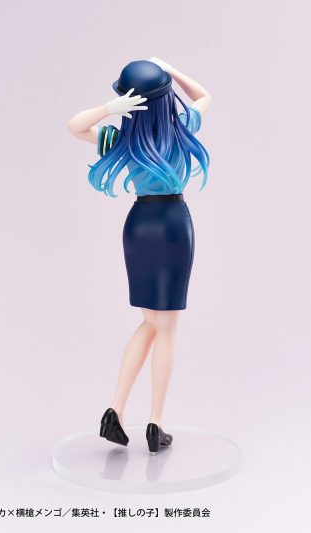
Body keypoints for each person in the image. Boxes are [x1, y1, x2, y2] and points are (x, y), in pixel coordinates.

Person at [67, 57, 211, 454]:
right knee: (167, 326)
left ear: (129, 101)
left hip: (139, 225)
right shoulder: (182, 128)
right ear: (165, 98)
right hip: (173, 223)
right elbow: (203, 95)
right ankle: (155, 422)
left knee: (150, 321)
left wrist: (109, 109)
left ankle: (114, 410)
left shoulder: (121, 140)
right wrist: (172, 70)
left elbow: (74, 125)